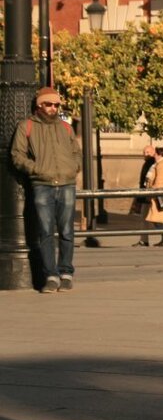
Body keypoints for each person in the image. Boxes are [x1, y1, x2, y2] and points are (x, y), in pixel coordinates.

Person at [9, 86, 81, 292]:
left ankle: (66, 273)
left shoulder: (66, 127)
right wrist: (36, 169)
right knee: (45, 232)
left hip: (66, 183)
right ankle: (51, 275)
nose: (53, 108)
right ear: (39, 105)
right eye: (48, 104)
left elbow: (76, 152)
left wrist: (74, 167)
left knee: (67, 231)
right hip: (42, 185)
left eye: (56, 105)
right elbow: (17, 155)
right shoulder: (26, 126)